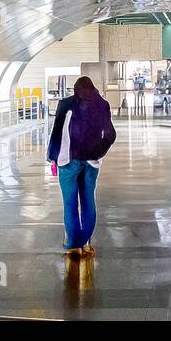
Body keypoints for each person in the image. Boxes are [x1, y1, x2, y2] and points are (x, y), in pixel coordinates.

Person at [48, 76, 117, 258]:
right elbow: (110, 134)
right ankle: (85, 240)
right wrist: (98, 152)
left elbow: (56, 133)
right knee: (88, 201)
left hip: (68, 161)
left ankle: (72, 243)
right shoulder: (102, 105)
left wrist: (52, 158)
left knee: (70, 203)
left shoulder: (65, 105)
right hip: (91, 163)